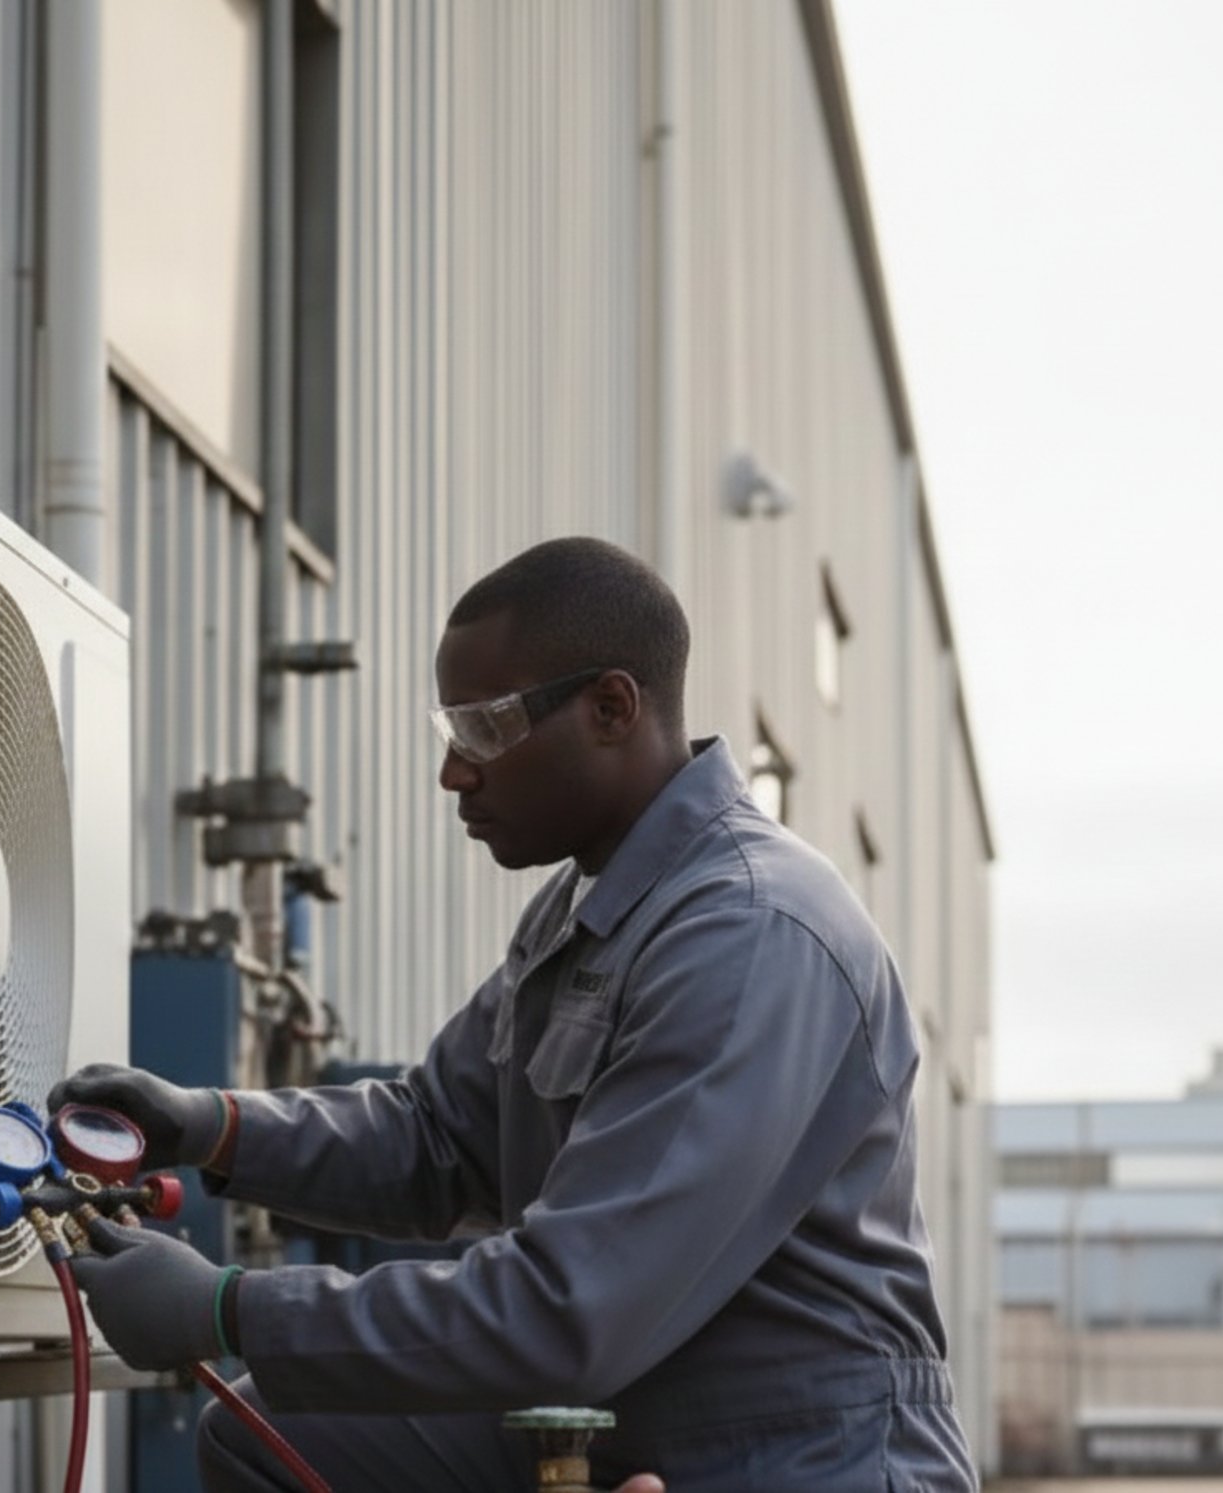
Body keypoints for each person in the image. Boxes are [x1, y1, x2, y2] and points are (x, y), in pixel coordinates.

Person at [53, 537, 978, 1491]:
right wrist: (212, 1127)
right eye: (448, 731)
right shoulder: (588, 910)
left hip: (796, 1450)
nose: (456, 772)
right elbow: (437, 1134)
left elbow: (567, 1310)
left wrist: (231, 1308)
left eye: (485, 729)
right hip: (633, 1414)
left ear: (611, 708)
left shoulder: (749, 935)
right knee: (259, 1431)